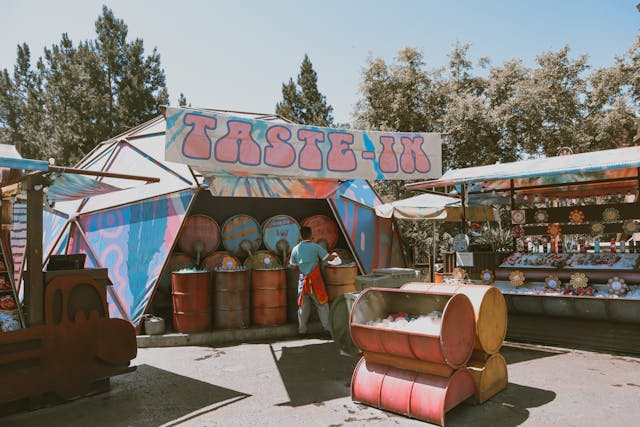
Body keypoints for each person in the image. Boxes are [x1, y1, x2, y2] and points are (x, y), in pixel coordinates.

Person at [289, 226, 338, 335]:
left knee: (303, 307)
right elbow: (327, 258)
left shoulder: (295, 249)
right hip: (315, 281)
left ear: (300, 236)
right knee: (322, 305)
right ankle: (327, 329)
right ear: (311, 235)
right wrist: (334, 255)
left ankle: (302, 331)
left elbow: (293, 266)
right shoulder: (315, 247)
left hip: (303, 282)